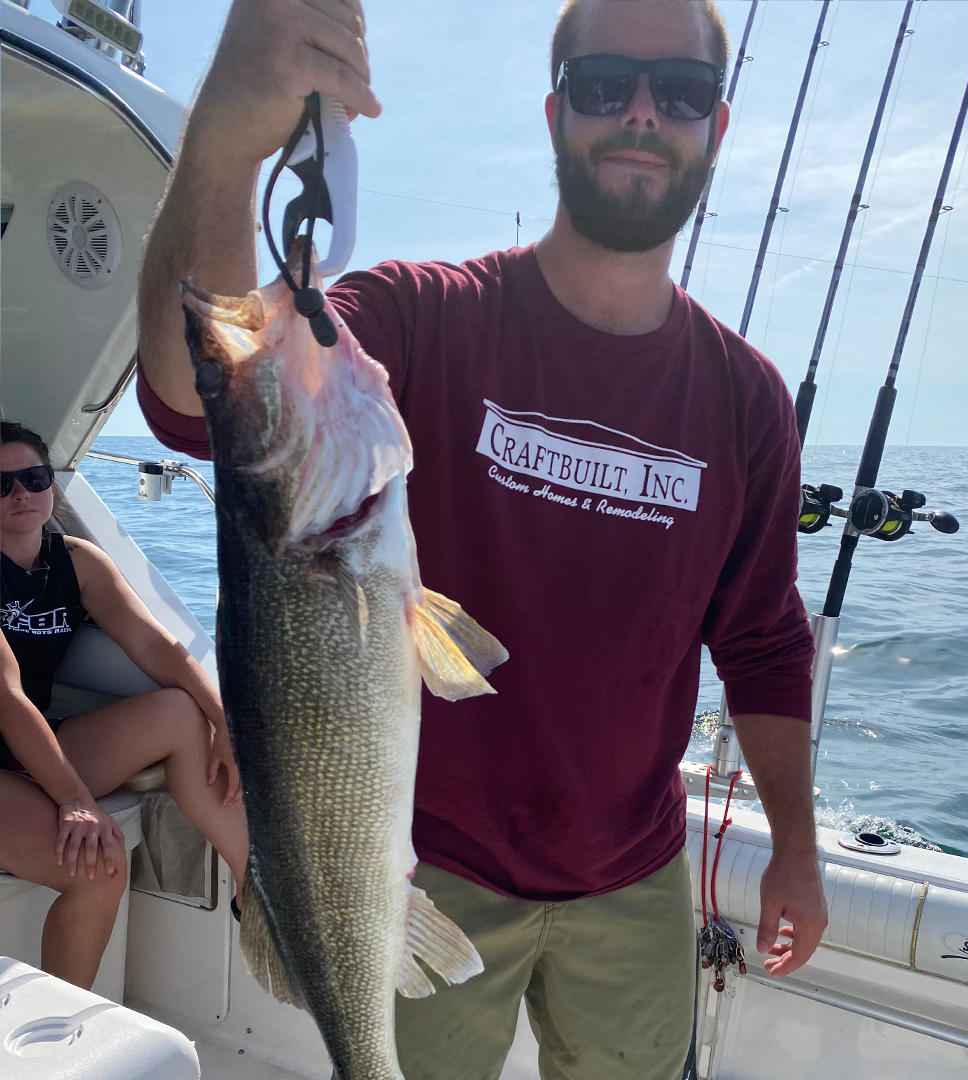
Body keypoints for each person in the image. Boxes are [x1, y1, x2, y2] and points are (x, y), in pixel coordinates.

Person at [136, 0, 829, 1076]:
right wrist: (227, 144)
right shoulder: (422, 317)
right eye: (605, 85)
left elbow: (764, 640)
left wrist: (796, 843)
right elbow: (197, 399)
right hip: (418, 871)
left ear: (716, 128)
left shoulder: (747, 399)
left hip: (635, 879)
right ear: (556, 113)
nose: (642, 114)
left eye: (679, 94)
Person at [0, 421, 249, 990]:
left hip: (37, 741)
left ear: (51, 487)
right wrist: (76, 802)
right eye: (2, 484)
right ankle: (56, 1039)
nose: (20, 493)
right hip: (7, 747)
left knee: (182, 714)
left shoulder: (76, 561)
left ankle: (252, 884)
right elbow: (7, 696)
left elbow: (158, 648)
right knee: (98, 868)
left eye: (33, 478)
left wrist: (224, 722)